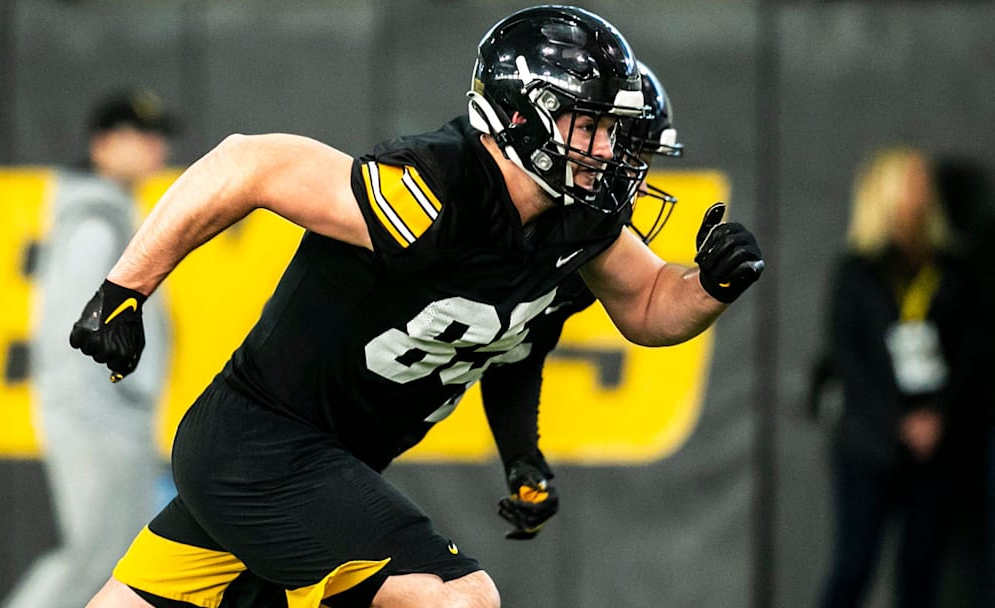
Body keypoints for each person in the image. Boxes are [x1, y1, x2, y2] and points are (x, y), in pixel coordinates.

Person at [68, 6, 763, 608]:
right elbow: (248, 163)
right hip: (266, 446)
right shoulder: (437, 184)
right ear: (523, 116)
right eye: (591, 125)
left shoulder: (575, 222)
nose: (607, 149)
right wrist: (125, 289)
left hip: (304, 462)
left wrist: (711, 287)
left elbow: (649, 305)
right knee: (459, 597)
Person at [477, 59, 688, 540]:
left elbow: (515, 352)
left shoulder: (576, 247)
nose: (635, 174)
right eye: (600, 134)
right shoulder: (483, 208)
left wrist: (521, 459)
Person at [0, 89, 175, 608]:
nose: (154, 148)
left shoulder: (113, 216)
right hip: (96, 417)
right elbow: (78, 339)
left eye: (157, 136)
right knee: (94, 558)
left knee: (119, 561)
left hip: (113, 418)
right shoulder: (96, 224)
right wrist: (121, 402)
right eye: (139, 136)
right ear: (101, 146)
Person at [816, 146, 981, 608]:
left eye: (924, 181)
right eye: (910, 181)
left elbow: (971, 351)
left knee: (921, 574)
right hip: (869, 443)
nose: (921, 191)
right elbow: (848, 359)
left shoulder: (952, 268)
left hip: (935, 447)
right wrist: (899, 420)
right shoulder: (856, 271)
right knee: (853, 566)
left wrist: (937, 416)